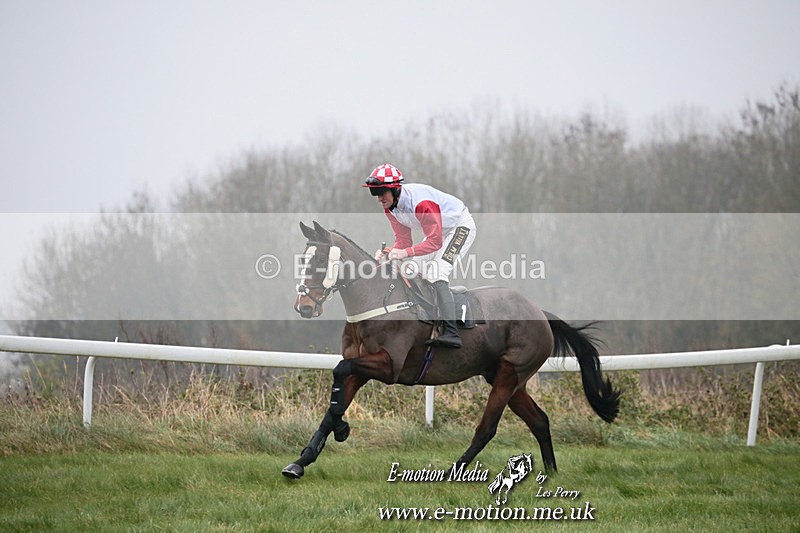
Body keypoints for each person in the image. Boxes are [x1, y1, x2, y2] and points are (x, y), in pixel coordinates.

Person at [363, 163, 476, 348]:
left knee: (437, 273)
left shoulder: (421, 203)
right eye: (374, 193)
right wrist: (389, 253)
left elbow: (435, 242)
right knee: (410, 269)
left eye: (381, 192)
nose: (379, 198)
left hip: (460, 226)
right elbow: (404, 242)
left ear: (395, 189)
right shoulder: (390, 208)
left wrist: (403, 252)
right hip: (439, 231)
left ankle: (452, 332)